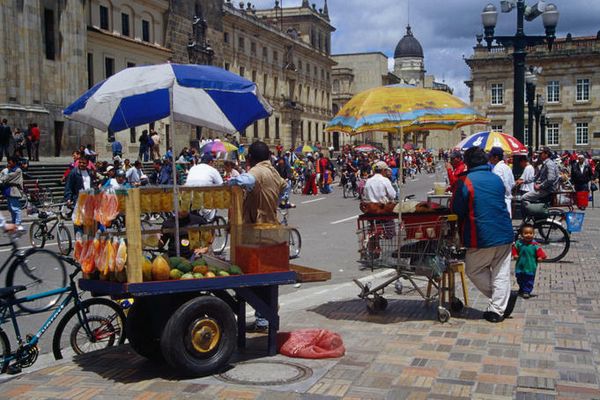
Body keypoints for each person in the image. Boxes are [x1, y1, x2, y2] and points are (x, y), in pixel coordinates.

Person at [451, 147, 517, 323]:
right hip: (504, 230)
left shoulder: (465, 181)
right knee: (500, 272)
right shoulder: (495, 178)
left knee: (473, 269)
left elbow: (457, 209)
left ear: (467, 162)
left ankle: (500, 302)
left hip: (482, 233)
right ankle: (498, 307)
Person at [521, 147, 560, 215]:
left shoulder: (549, 164)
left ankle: (531, 214)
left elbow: (551, 178)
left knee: (524, 197)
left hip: (546, 190)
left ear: (546, 154)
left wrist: (540, 186)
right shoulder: (545, 164)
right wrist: (524, 181)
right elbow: (535, 177)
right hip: (544, 189)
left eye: (541, 153)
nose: (539, 155)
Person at [512, 223, 546, 299]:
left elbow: (542, 254)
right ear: (521, 234)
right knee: (519, 278)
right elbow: (514, 250)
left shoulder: (535, 245)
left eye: (531, 233)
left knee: (529, 280)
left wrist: (541, 258)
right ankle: (522, 288)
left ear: (533, 234)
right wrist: (515, 255)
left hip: (530, 266)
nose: (528, 235)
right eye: (526, 233)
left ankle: (527, 291)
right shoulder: (519, 243)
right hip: (520, 266)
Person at [488, 147, 515, 217]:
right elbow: (512, 183)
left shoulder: (497, 169)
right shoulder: (507, 167)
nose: (489, 158)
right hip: (508, 200)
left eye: (490, 156)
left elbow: (498, 186)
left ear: (496, 157)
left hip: (500, 202)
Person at [0, 156, 24, 230]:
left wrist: (3, 178)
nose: (8, 164)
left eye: (10, 162)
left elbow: (8, 177)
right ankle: (14, 223)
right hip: (9, 191)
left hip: (14, 191)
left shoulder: (17, 170)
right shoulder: (10, 170)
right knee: (11, 209)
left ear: (14, 162)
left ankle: (18, 224)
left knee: (16, 208)